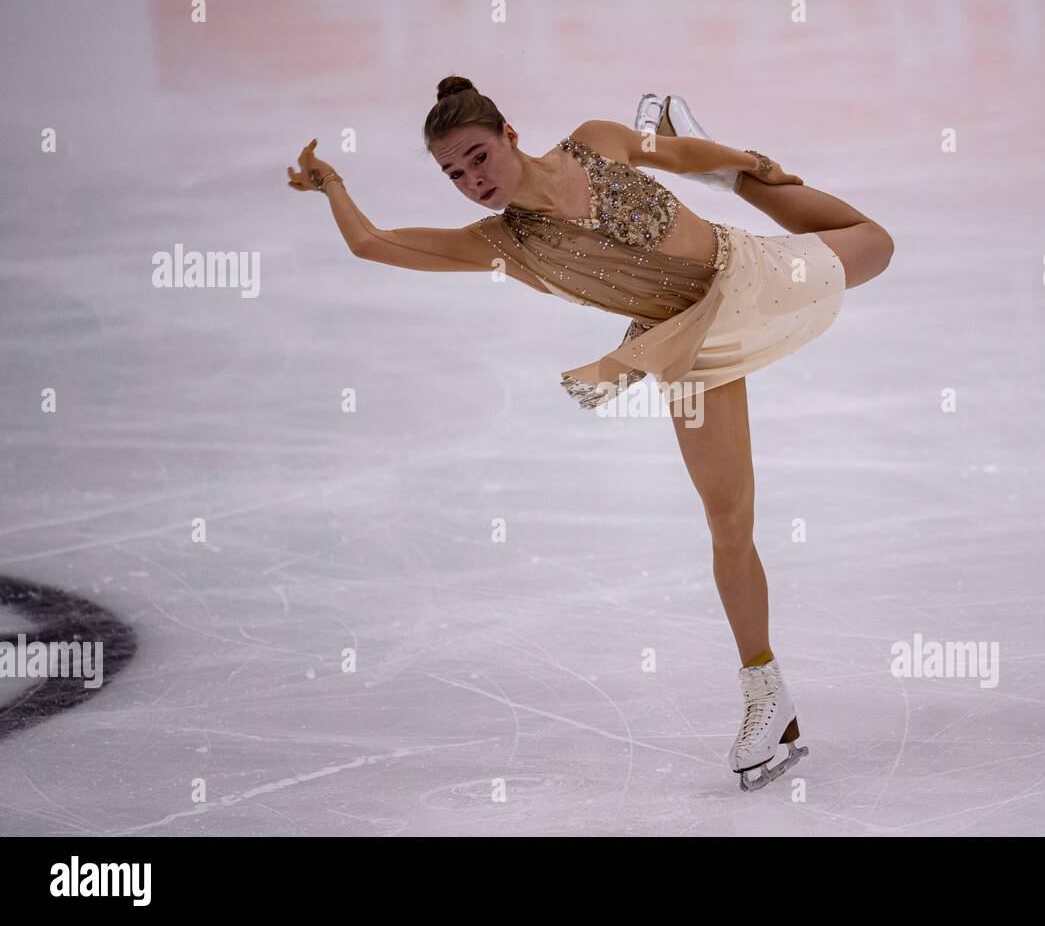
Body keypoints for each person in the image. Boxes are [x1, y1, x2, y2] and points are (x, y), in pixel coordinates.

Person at [287, 76, 894, 791]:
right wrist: (331, 186)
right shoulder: (503, 246)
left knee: (875, 244)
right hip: (691, 343)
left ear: (509, 132)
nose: (471, 180)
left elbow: (674, 156)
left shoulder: (596, 141)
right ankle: (767, 695)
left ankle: (745, 181)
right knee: (729, 521)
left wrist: (740, 162)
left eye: (478, 157)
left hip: (751, 274)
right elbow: (374, 243)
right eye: (454, 173)